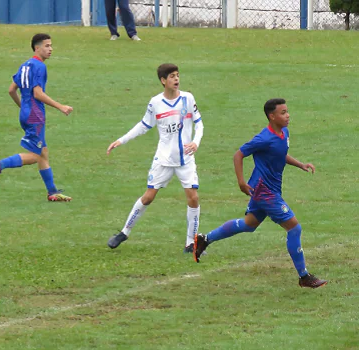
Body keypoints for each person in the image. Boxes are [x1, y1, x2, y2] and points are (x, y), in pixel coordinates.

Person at [193, 98, 327, 289]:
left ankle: (205, 239)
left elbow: (280, 154)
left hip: (266, 188)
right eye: (283, 112)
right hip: (265, 191)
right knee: (294, 228)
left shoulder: (283, 133)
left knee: (249, 224)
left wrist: (300, 164)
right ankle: (304, 276)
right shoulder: (263, 138)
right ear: (272, 116)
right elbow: (238, 154)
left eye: (287, 111)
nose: (288, 115)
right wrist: (241, 181)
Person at [106, 63, 204, 252]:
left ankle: (191, 243)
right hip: (164, 160)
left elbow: (199, 124)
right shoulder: (155, 103)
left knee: (193, 197)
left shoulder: (188, 98)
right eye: (172, 76)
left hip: (186, 159)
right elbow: (144, 125)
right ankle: (124, 232)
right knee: (149, 197)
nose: (176, 79)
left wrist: (195, 142)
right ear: (163, 80)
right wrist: (121, 140)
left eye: (177, 75)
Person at [0, 33, 74, 202]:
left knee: (43, 153)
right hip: (35, 115)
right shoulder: (40, 67)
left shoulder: (25, 65)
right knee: (35, 155)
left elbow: (11, 89)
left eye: (51, 45)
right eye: (47, 46)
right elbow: (38, 93)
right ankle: (0, 164)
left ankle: (52, 192)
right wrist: (60, 106)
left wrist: (23, 107)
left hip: (26, 113)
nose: (51, 49)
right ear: (37, 48)